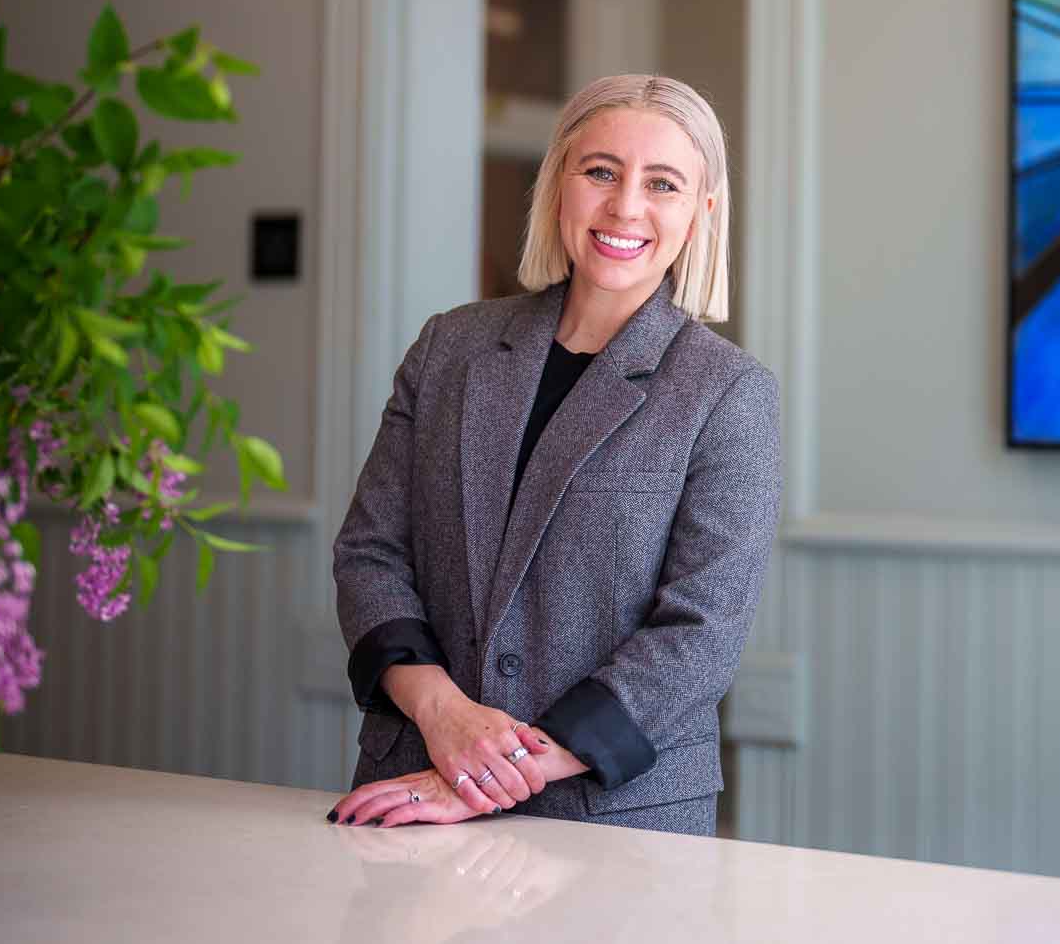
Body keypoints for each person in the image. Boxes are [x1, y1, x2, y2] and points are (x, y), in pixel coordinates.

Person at [327, 73, 782, 838]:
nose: (625, 206)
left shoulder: (728, 392)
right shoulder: (450, 349)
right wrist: (445, 721)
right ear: (559, 184)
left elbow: (700, 636)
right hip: (410, 785)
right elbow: (369, 556)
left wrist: (489, 774)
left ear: (701, 213)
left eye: (662, 183)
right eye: (600, 171)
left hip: (615, 819)